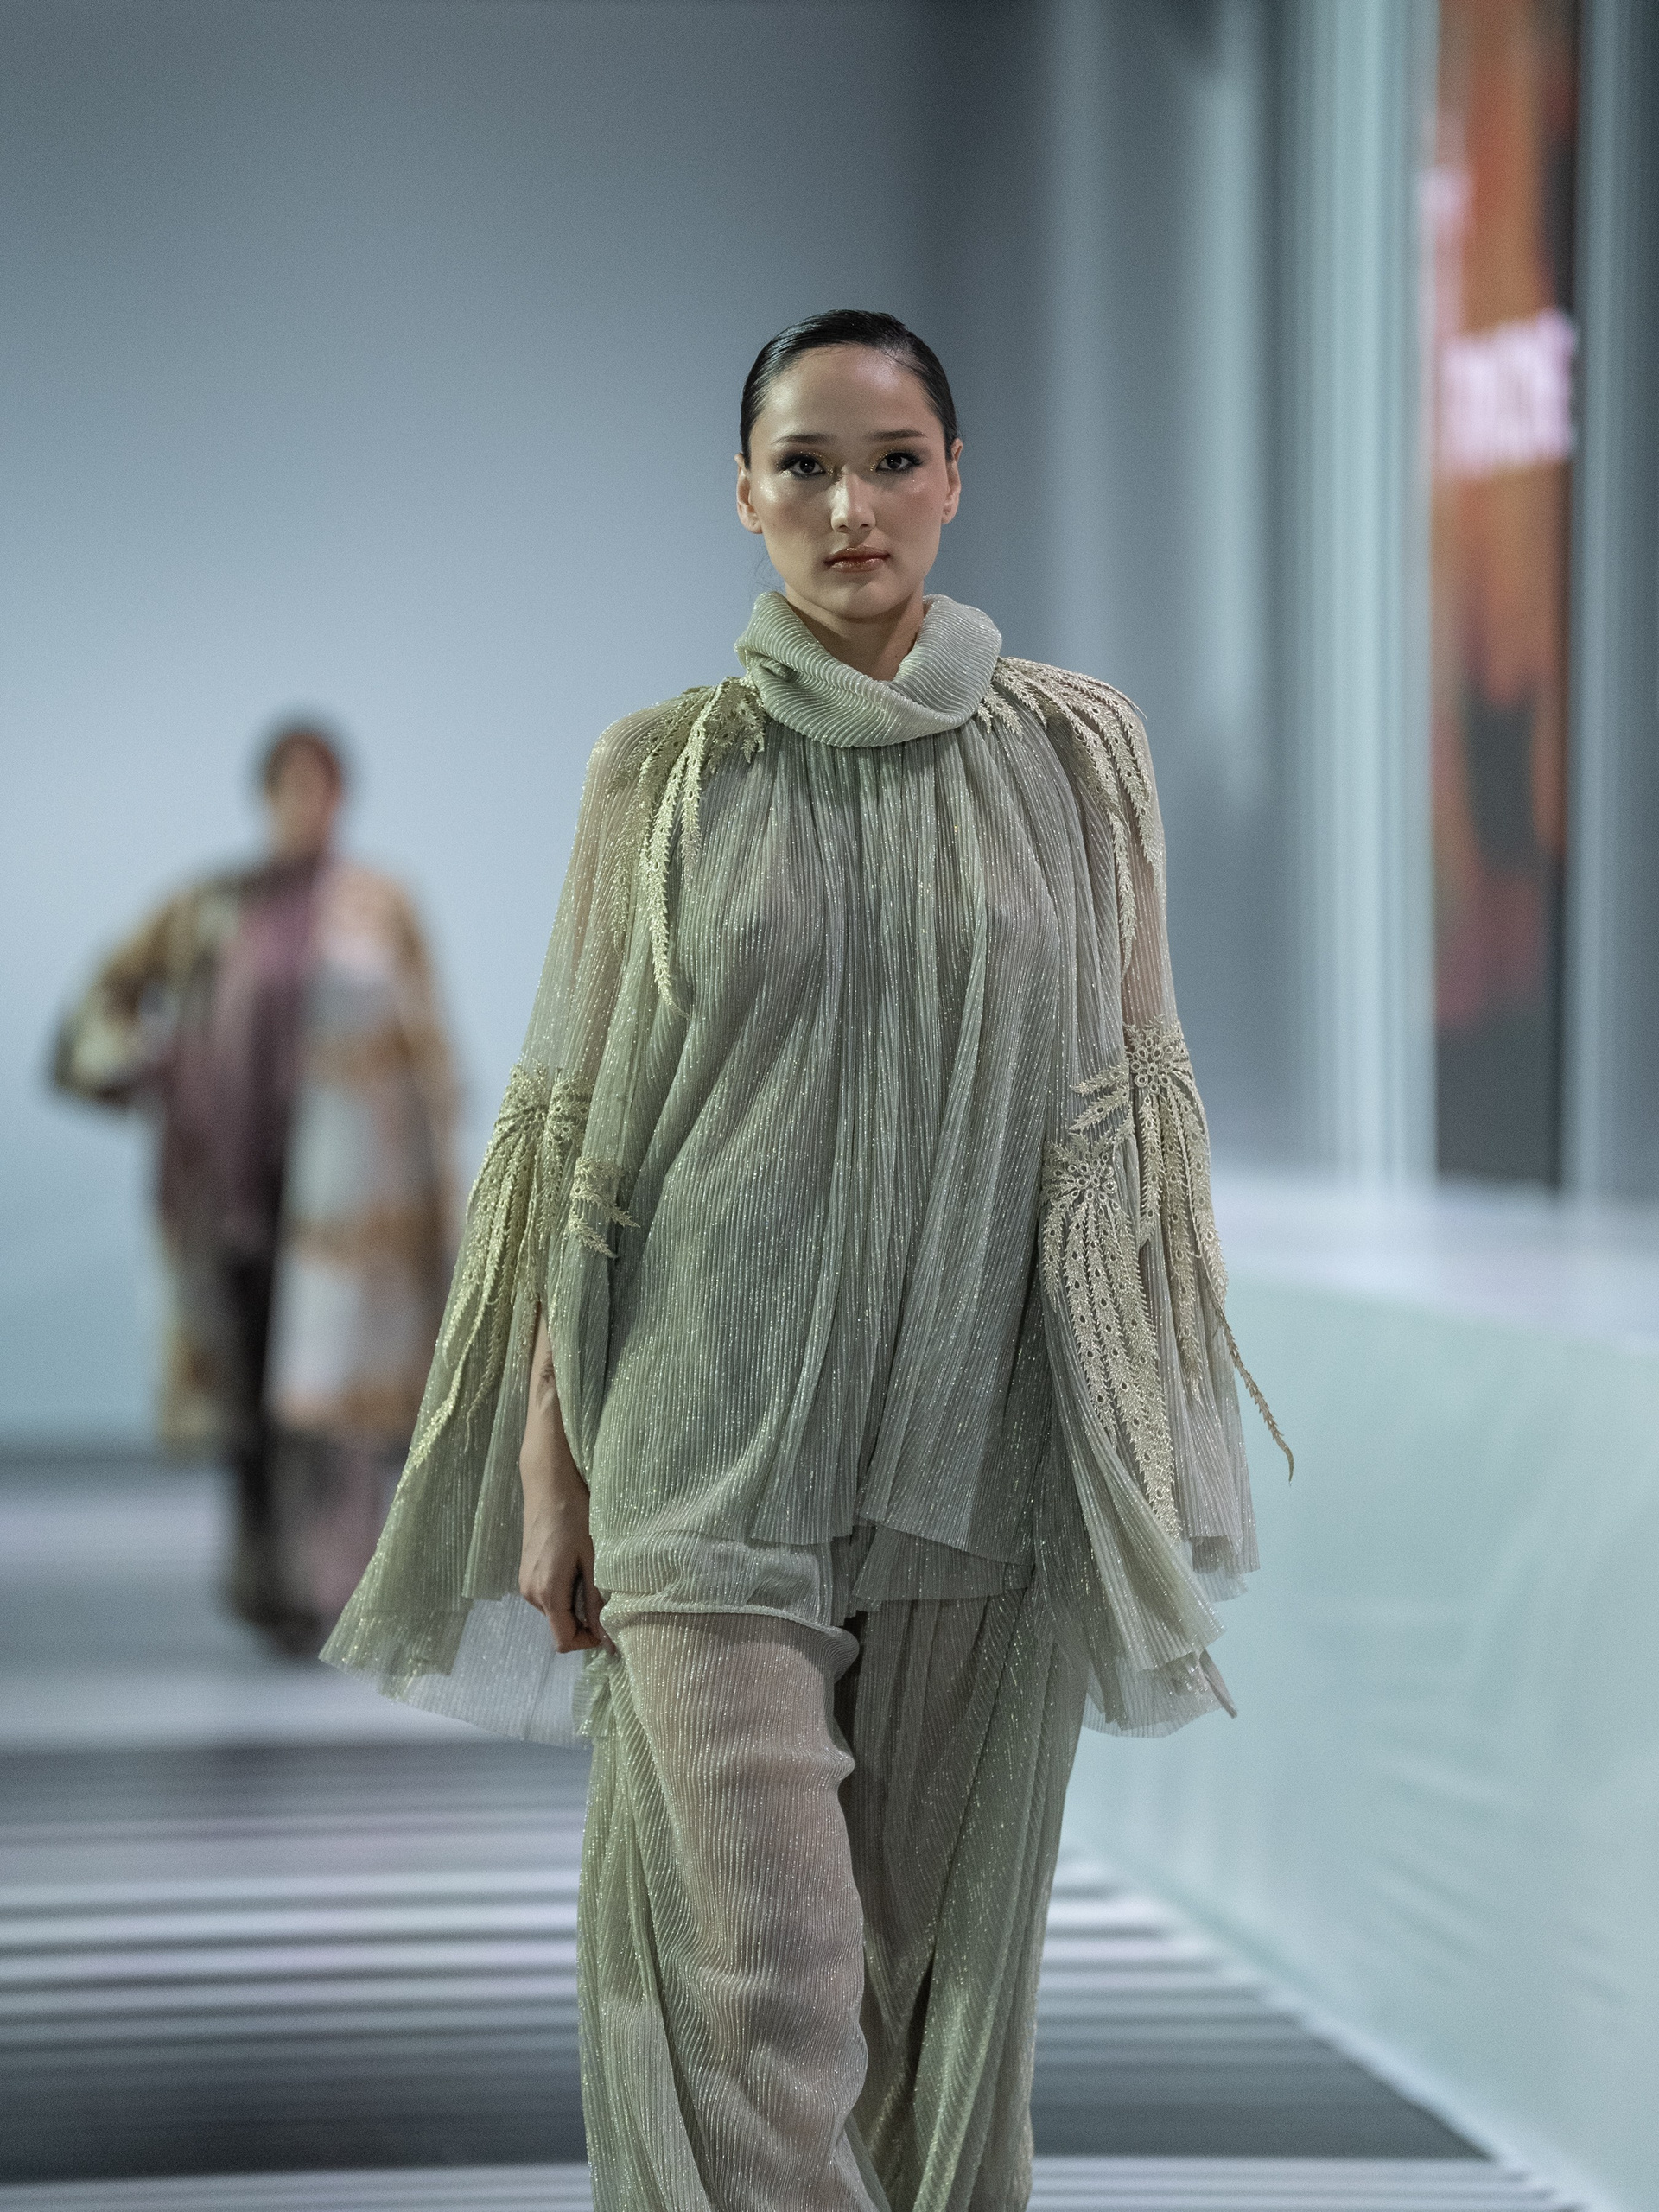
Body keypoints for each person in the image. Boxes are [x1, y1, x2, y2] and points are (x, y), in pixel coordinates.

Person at [325, 311, 1289, 2209]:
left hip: (982, 1447)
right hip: (702, 1447)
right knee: (773, 1985)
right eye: (808, 465)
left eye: (894, 459)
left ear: (957, 478)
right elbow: (581, 1143)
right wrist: (552, 1469)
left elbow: (1133, 1121)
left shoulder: (1080, 756)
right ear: (745, 494)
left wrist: (1143, 1444)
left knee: (927, 1988)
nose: (854, 505)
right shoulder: (661, 775)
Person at [53, 722, 457, 1656]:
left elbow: (429, 1057)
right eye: (288, 785)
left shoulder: (379, 908)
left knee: (336, 1401)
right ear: (266, 795)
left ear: (342, 796)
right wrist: (156, 1069)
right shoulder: (211, 908)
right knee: (248, 1394)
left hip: (349, 1206)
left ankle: (334, 1589)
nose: (305, 804)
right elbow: (103, 1008)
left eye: (321, 785)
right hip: (232, 1193)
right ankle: (263, 1583)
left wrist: (441, 1194)